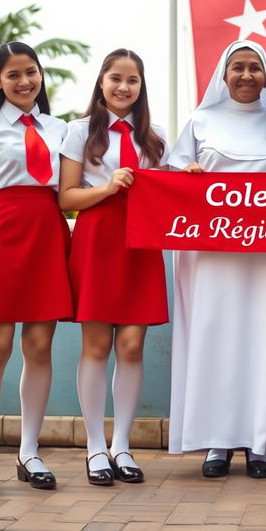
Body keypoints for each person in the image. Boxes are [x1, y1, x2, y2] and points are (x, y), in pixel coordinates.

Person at [168, 40, 266, 479]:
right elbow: (172, 179)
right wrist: (189, 176)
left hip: (263, 254)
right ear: (223, 74)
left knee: (261, 342)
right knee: (214, 339)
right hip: (210, 255)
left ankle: (260, 444)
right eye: (237, 67)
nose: (245, 76)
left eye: (254, 68)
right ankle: (217, 442)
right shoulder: (201, 121)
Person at [0, 42, 73, 498]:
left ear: (40, 75)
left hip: (48, 232)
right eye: (13, 75)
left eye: (31, 72)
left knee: (40, 346)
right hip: (2, 233)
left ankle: (30, 452)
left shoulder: (59, 127)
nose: (24, 82)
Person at [58, 49, 169, 486]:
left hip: (141, 243)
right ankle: (94, 448)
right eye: (116, 78)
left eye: (133, 80)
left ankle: (122, 445)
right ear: (101, 81)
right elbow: (67, 197)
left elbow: (170, 188)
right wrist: (107, 187)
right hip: (99, 238)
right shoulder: (78, 131)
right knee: (97, 345)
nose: (124, 87)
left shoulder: (155, 135)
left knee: (132, 346)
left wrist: (190, 173)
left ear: (142, 87)